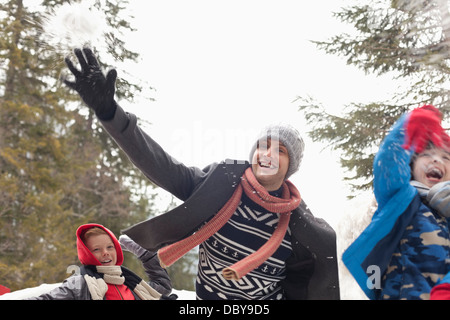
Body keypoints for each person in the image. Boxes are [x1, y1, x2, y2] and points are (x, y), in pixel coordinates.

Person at [63, 47, 339, 300]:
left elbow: (310, 283)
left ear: (290, 166)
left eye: (279, 151)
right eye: (263, 146)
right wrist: (110, 113)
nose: (267, 154)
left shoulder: (299, 224)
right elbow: (161, 165)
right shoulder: (221, 185)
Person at [343, 105, 450, 300]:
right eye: (427, 154)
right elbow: (389, 166)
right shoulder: (402, 199)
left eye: (446, 157)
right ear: (412, 166)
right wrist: (407, 129)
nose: (436, 160)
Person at [28, 223, 175, 300]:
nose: (105, 253)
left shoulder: (128, 283)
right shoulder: (80, 284)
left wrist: (144, 254)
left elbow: (162, 286)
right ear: (87, 254)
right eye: (96, 249)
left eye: (110, 247)